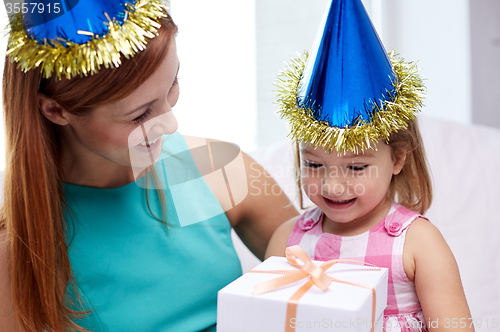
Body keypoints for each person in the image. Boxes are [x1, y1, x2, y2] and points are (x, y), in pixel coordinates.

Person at [0, 1, 298, 331]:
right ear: (57, 111)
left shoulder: (216, 167)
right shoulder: (19, 244)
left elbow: (324, 257)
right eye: (139, 114)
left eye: (172, 84)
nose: (170, 125)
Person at [265, 0, 474, 331]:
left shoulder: (418, 243)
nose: (333, 186)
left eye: (356, 167)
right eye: (314, 164)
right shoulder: (287, 241)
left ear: (398, 158)